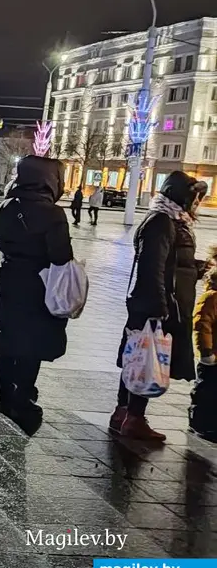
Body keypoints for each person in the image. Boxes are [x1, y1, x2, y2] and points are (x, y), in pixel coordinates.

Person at [111, 172, 208, 441]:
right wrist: (158, 307)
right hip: (158, 305)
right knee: (147, 360)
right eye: (196, 197)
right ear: (182, 196)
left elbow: (171, 264)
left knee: (138, 357)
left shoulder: (171, 220)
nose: (197, 203)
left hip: (161, 301)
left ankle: (124, 414)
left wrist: (196, 268)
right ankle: (134, 418)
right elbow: (152, 266)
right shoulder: (162, 222)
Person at [0, 157, 73, 435]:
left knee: (8, 332)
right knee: (32, 340)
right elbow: (61, 256)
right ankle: (21, 395)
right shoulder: (53, 214)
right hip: (40, 283)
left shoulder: (7, 206)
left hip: (10, 277)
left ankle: (4, 390)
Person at [191, 257, 217, 442]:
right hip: (212, 356)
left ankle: (210, 424)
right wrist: (206, 351)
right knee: (206, 391)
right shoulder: (211, 297)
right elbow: (202, 324)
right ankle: (200, 423)